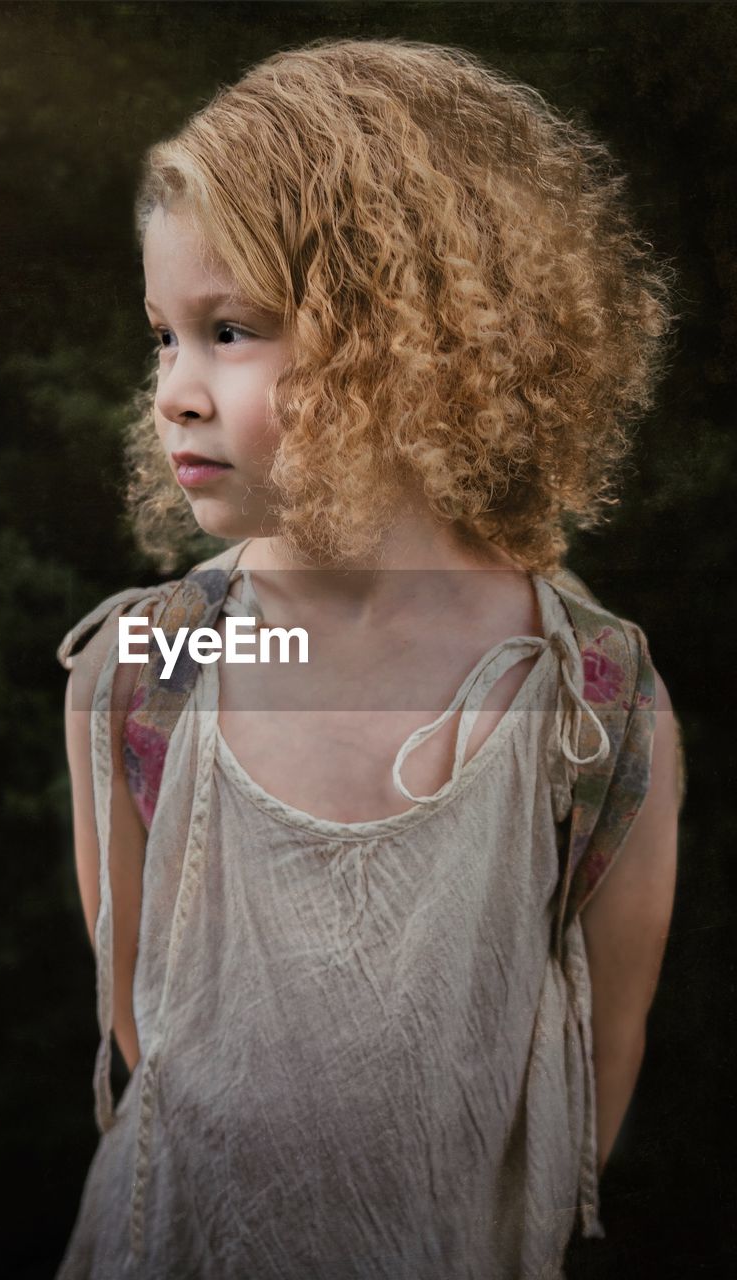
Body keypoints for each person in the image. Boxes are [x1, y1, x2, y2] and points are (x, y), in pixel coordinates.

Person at [55, 37, 682, 1279]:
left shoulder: (588, 700)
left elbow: (596, 1059)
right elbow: (156, 1038)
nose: (174, 389)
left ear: (412, 342)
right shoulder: (144, 672)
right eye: (162, 338)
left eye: (229, 329)